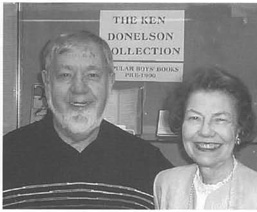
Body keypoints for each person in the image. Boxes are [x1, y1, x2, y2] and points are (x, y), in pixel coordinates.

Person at [3, 31, 173, 209]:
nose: (79, 89)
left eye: (92, 75)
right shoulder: (6, 156)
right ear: (47, 82)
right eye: (65, 75)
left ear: (110, 82)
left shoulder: (148, 163)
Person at [153, 66, 257, 209]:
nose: (205, 131)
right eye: (195, 118)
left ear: (239, 129)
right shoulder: (166, 184)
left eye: (220, 120)